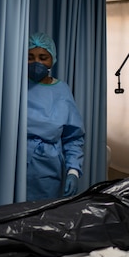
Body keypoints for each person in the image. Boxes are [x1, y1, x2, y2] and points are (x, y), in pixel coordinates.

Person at [26, 32, 85, 200]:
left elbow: (73, 137)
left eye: (43, 57)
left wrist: (73, 171)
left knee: (40, 219)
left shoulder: (62, 91)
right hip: (13, 161)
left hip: (46, 168)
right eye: (30, 57)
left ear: (53, 59)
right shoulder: (15, 86)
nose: (37, 62)